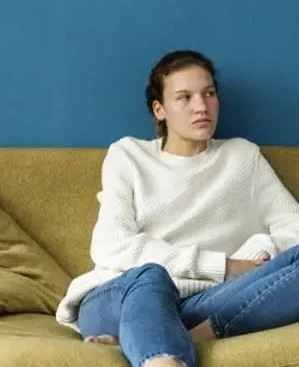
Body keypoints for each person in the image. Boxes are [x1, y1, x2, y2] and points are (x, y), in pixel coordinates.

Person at [55, 50, 299, 367]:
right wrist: (223, 266)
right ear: (160, 110)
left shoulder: (242, 157)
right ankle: (161, 355)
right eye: (184, 97)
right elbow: (111, 245)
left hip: (202, 302)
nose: (201, 106)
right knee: (151, 275)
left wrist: (260, 248)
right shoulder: (128, 156)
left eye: (209, 93)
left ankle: (160, 337)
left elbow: (292, 227)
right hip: (124, 296)